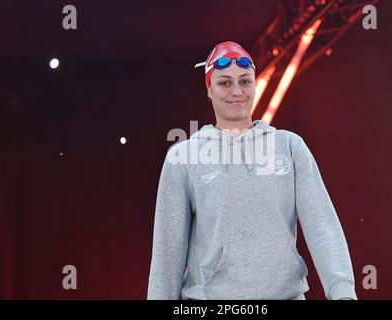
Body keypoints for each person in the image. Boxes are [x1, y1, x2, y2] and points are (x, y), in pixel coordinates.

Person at [147, 41, 357, 300]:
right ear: (209, 90)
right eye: (225, 83)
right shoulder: (183, 158)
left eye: (245, 81)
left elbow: (322, 227)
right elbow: (168, 252)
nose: (237, 91)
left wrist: (343, 292)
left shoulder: (289, 147)